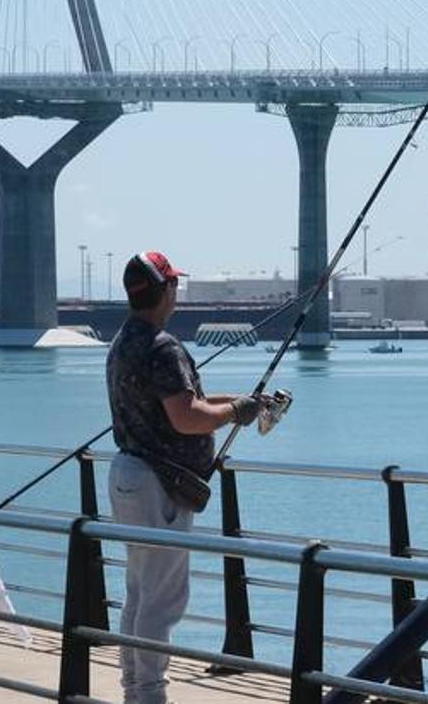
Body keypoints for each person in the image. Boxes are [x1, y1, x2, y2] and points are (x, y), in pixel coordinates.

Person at [106, 252, 263, 704]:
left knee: (140, 592)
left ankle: (135, 690)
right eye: (174, 284)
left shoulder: (126, 341)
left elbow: (179, 400)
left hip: (128, 474)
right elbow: (186, 417)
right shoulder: (163, 346)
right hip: (159, 484)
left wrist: (234, 401)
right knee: (162, 599)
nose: (177, 291)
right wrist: (236, 413)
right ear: (166, 290)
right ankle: (150, 695)